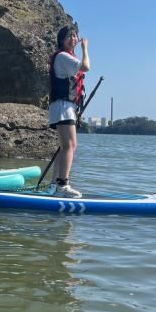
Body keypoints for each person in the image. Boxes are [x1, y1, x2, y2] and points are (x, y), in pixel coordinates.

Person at [47, 26, 90, 196]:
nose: (73, 39)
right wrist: (85, 48)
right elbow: (86, 67)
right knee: (70, 146)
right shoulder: (63, 56)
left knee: (64, 147)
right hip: (63, 107)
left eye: (74, 36)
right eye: (69, 36)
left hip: (65, 107)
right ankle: (62, 186)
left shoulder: (66, 57)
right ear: (61, 40)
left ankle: (53, 184)